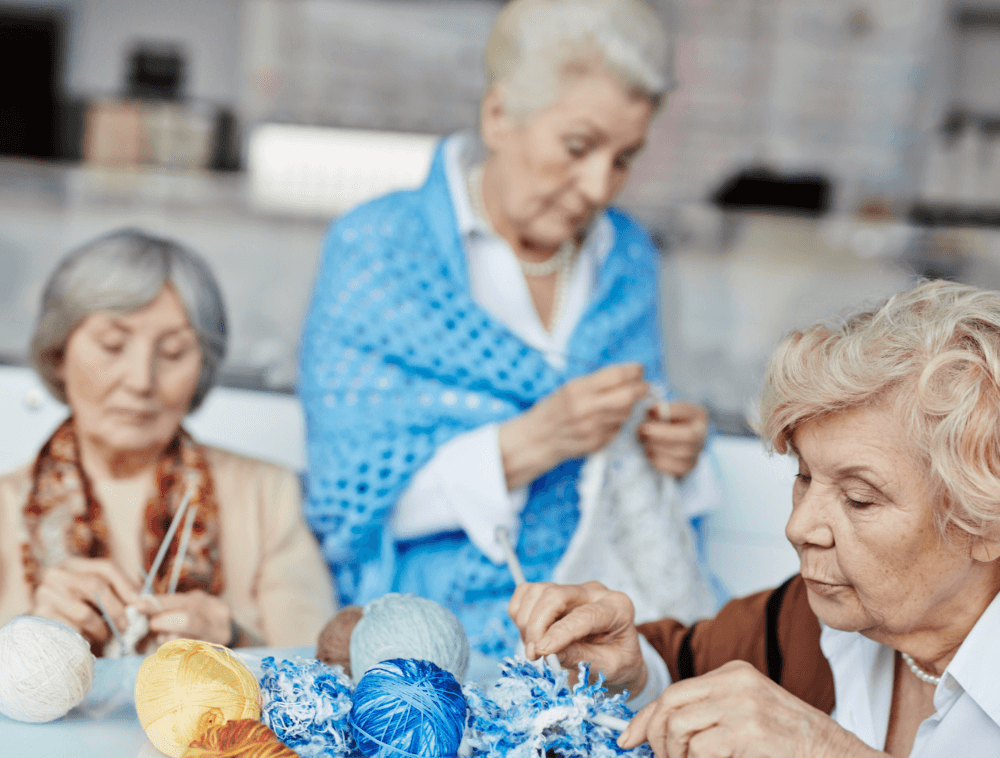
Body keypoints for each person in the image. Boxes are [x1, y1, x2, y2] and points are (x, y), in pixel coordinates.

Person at [509, 279, 1000, 758]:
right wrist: (628, 670)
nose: (800, 528)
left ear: (984, 525)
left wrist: (823, 757)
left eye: (859, 498)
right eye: (804, 478)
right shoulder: (809, 614)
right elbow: (690, 664)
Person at [299, 0, 717, 656]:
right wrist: (533, 440)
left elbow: (646, 500)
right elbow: (350, 508)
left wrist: (680, 454)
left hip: (610, 634)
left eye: (624, 158)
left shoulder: (628, 258)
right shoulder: (379, 247)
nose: (599, 185)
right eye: (579, 147)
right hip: (440, 634)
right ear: (499, 116)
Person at [0, 229, 337, 655]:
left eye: (175, 352)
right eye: (112, 344)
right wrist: (27, 644)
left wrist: (234, 642)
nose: (141, 380)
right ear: (58, 354)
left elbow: (323, 673)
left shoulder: (267, 495)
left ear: (203, 367)